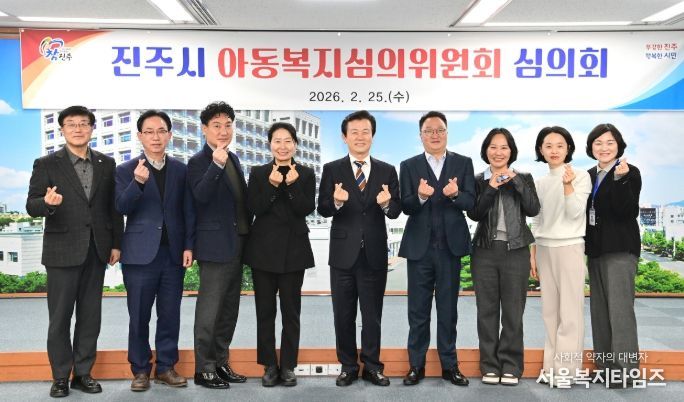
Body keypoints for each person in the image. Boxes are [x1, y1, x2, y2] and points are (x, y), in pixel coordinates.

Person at [26, 105, 123, 398]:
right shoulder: (46, 164)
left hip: (97, 249)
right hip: (61, 251)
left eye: (83, 123)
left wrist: (116, 243)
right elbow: (32, 205)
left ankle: (83, 374)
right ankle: (60, 377)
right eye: (71, 124)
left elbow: (113, 208)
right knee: (60, 318)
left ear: (92, 128)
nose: (78, 129)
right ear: (62, 130)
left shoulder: (107, 163)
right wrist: (47, 204)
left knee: (90, 317)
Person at [317, 110, 401, 387]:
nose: (360, 136)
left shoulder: (387, 170)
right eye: (354, 132)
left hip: (374, 254)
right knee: (343, 315)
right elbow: (323, 208)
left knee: (372, 315)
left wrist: (387, 203)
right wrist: (336, 201)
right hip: (343, 254)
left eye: (366, 131)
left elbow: (395, 211)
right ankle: (348, 366)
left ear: (373, 136)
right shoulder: (332, 169)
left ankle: (373, 366)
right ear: (345, 137)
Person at [115, 110, 195, 391]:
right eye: (149, 132)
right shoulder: (125, 170)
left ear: (170, 135)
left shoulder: (181, 170)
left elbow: (188, 211)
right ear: (140, 136)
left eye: (161, 131)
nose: (155, 137)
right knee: (139, 316)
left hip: (173, 255)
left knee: (170, 314)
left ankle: (166, 368)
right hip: (139, 256)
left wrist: (188, 245)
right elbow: (121, 207)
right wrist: (137, 183)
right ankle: (140, 370)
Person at [398, 111, 475, 387]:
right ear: (420, 135)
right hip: (419, 250)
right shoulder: (409, 165)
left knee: (448, 310)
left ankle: (450, 366)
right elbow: (405, 206)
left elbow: (471, 203)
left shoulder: (463, 163)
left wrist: (455, 195)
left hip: (450, 250)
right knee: (417, 311)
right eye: (429, 130)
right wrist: (420, 196)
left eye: (440, 130)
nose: (434, 135)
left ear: (447, 133)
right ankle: (415, 366)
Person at [243, 122, 316, 387]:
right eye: (277, 141)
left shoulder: (306, 173)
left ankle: (288, 366)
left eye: (287, 141)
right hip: (262, 251)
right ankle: (269, 365)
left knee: (291, 312)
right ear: (270, 144)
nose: (282, 146)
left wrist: (293, 185)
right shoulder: (258, 172)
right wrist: (273, 186)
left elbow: (306, 209)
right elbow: (254, 208)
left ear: (295, 144)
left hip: (294, 252)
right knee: (265, 312)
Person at [467, 128, 540, 386]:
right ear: (486, 150)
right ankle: (489, 365)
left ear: (511, 151)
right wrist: (490, 187)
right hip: (484, 251)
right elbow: (474, 213)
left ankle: (511, 365)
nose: (498, 152)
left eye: (504, 147)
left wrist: (515, 181)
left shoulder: (524, 177)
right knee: (486, 311)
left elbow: (533, 208)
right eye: (493, 147)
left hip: (516, 251)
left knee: (513, 312)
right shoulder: (477, 180)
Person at [187, 101, 251, 389]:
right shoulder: (198, 162)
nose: (223, 131)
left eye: (227, 125)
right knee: (209, 311)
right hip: (214, 246)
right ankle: (204, 369)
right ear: (204, 129)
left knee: (228, 310)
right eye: (216, 126)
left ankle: (221, 363)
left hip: (238, 243)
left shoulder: (233, 158)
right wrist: (216, 165)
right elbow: (200, 197)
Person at [530, 126, 591, 386]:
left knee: (570, 314)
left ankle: (567, 371)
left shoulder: (581, 176)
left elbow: (575, 213)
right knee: (550, 313)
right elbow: (536, 219)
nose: (554, 150)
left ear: (568, 149)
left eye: (559, 145)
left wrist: (567, 186)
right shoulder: (539, 182)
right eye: (548, 146)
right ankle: (551, 368)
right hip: (544, 248)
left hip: (570, 247)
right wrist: (533, 252)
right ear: (541, 150)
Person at [584, 124, 642, 388]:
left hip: (620, 250)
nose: (604, 148)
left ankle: (625, 372)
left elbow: (627, 211)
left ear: (619, 145)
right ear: (591, 147)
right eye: (598, 143)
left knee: (620, 312)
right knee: (600, 312)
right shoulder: (588, 175)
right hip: (596, 251)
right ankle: (605, 367)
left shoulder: (629, 172)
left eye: (609, 142)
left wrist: (620, 180)